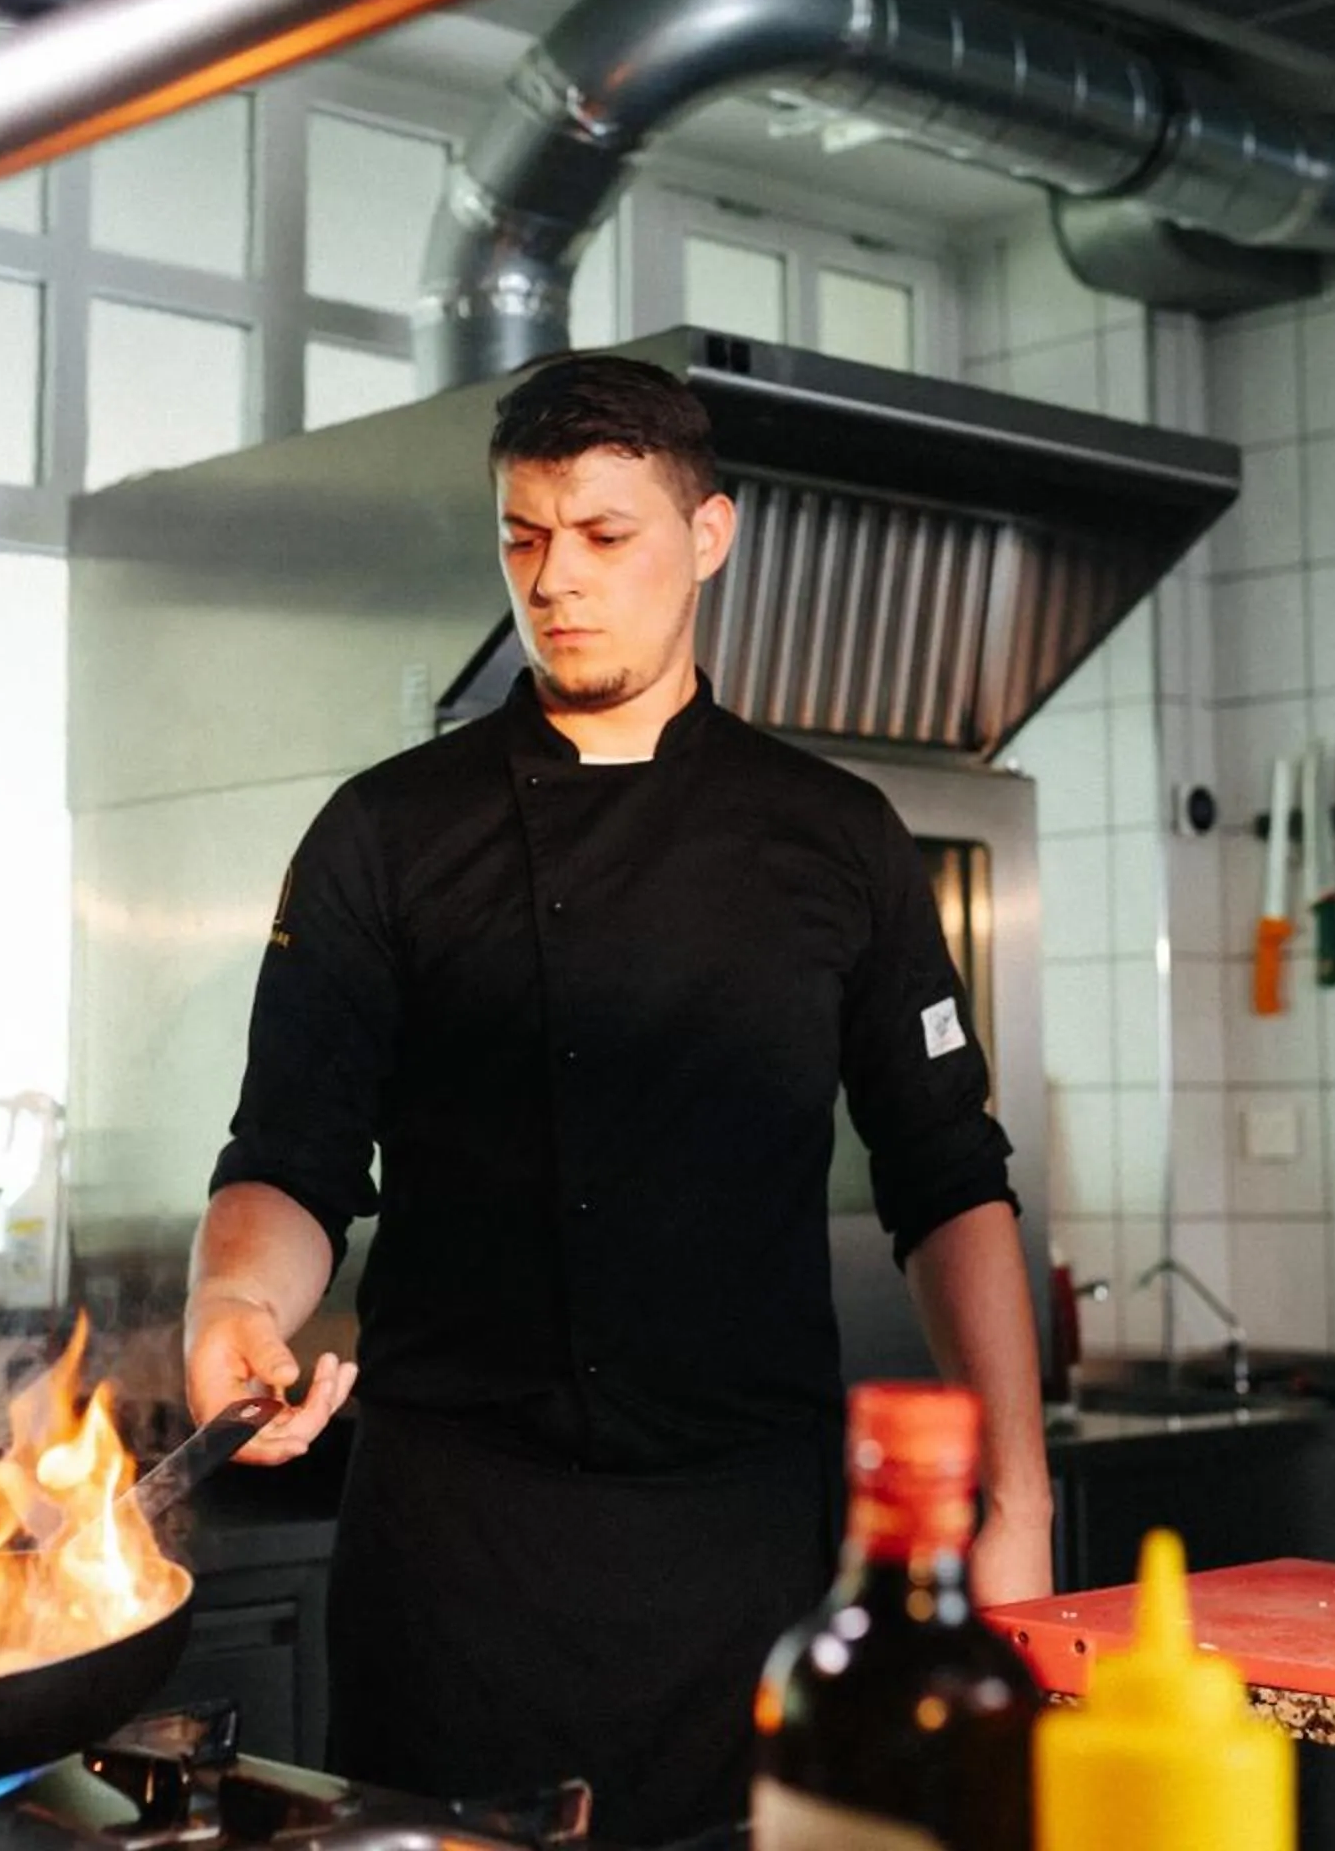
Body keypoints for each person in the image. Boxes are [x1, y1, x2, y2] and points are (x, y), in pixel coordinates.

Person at [181, 354, 1051, 1844]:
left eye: (605, 536)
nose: (555, 581)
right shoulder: (385, 834)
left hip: (750, 1557)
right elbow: (292, 1159)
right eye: (523, 538)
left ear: (709, 535)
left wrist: (1019, 1507)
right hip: (455, 1555)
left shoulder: (836, 840)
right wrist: (228, 1308)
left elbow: (948, 1179)